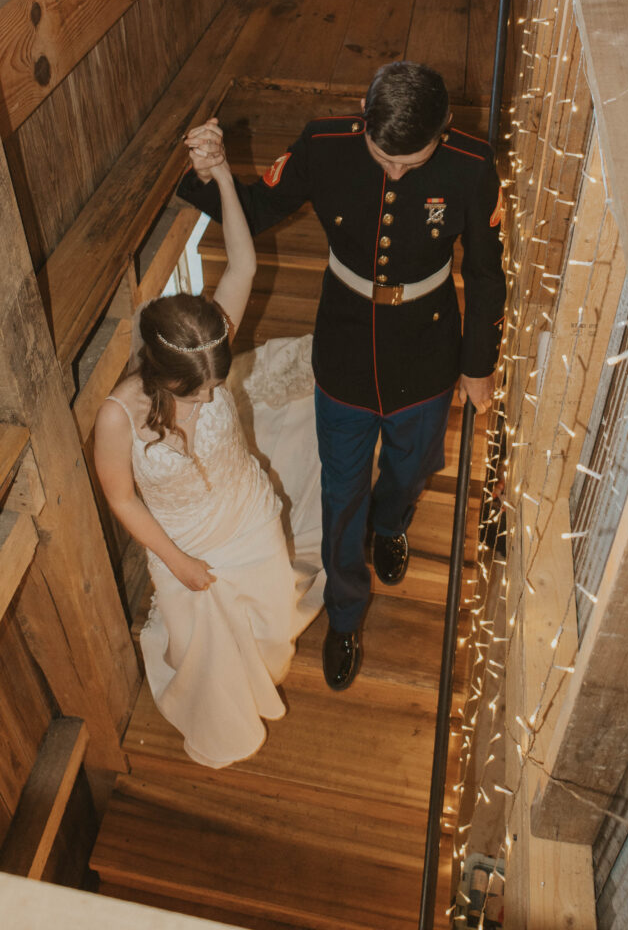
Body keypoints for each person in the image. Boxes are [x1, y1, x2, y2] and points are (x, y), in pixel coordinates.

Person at [177, 61, 506, 692]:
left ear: (444, 129)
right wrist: (206, 171)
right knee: (340, 490)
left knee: (414, 469)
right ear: (363, 115)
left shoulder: (472, 163)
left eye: (411, 162)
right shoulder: (326, 144)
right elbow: (255, 207)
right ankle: (346, 613)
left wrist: (477, 366)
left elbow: (487, 274)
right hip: (346, 346)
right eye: (384, 157)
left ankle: (391, 526)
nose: (395, 173)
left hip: (428, 347)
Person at [94, 150, 323, 768]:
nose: (208, 397)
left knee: (272, 605)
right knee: (206, 644)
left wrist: (222, 177)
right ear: (159, 375)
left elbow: (243, 261)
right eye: (195, 391)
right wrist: (179, 561)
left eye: (214, 386)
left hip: (245, 509)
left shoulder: (210, 330)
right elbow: (121, 498)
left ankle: (265, 663)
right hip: (182, 535)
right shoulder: (118, 417)